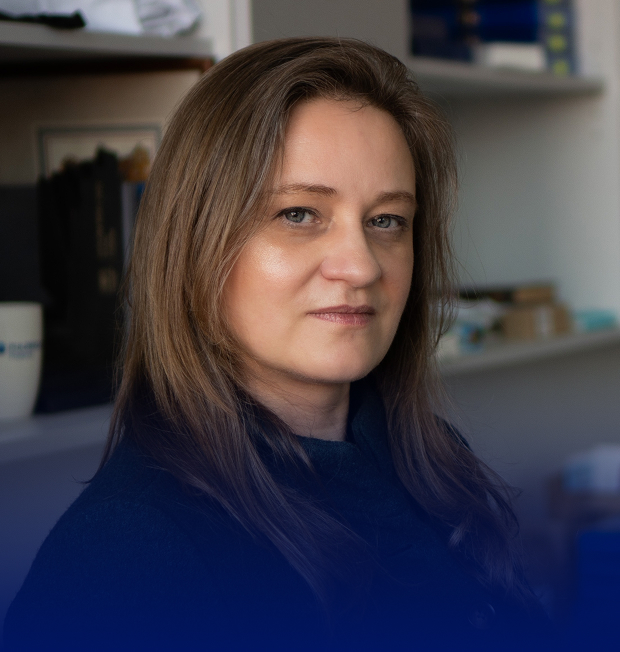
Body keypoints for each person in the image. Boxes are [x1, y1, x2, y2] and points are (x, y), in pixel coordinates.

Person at [3, 37, 551, 651]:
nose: (361, 265)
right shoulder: (124, 553)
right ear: (196, 242)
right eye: (298, 214)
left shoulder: (432, 462)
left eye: (386, 220)